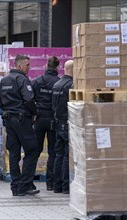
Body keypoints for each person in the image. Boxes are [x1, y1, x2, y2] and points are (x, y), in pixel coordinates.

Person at [0, 55, 39, 196]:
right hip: (22, 120)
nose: (29, 67)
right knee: (32, 150)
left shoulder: (4, 81)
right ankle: (25, 185)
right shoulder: (22, 79)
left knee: (14, 153)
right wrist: (34, 112)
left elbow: (0, 102)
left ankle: (15, 186)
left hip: (9, 120)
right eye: (27, 65)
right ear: (19, 66)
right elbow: (29, 99)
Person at [32, 56, 60, 191]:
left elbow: (29, 98)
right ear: (58, 67)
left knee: (34, 150)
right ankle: (51, 183)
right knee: (53, 152)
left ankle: (28, 180)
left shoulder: (37, 81)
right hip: (53, 120)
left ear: (46, 65)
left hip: (39, 118)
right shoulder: (59, 83)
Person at [51, 59, 73, 194]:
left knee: (58, 155)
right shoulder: (70, 85)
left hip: (58, 123)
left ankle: (56, 185)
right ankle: (65, 186)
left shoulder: (56, 84)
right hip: (66, 122)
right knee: (66, 155)